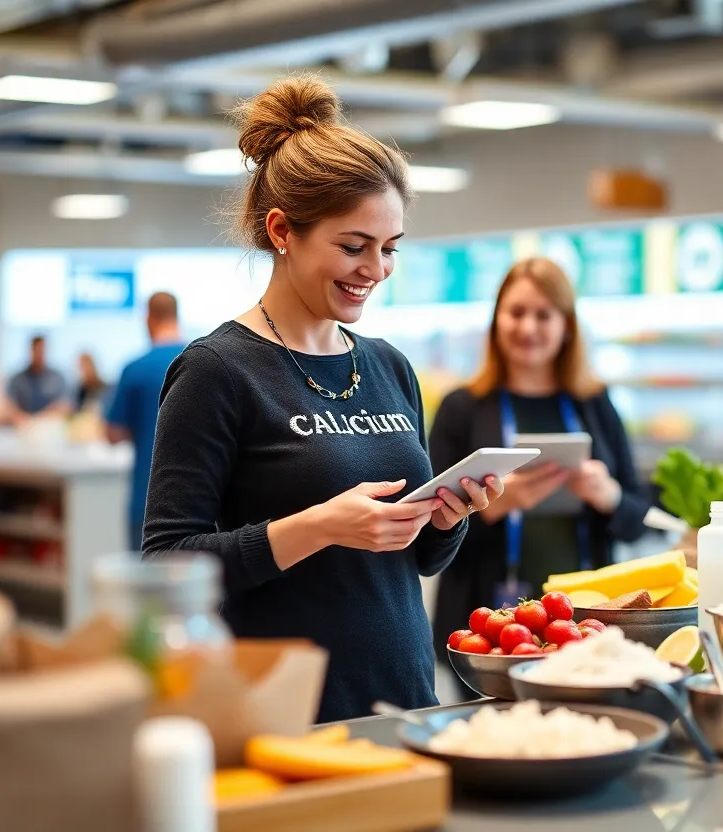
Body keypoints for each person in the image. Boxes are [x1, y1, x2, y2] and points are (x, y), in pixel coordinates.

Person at [141, 74, 504, 723]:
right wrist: (318, 526)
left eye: (389, 249)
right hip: (286, 712)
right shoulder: (216, 370)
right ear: (283, 230)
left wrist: (448, 518)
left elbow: (417, 563)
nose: (376, 269)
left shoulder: (388, 366)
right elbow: (168, 562)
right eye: (353, 246)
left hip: (405, 701)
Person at [429, 257, 652, 668]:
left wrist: (610, 496)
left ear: (566, 326)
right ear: (496, 321)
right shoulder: (462, 409)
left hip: (583, 621)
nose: (528, 328)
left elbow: (639, 517)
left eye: (543, 315)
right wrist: (492, 507)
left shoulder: (595, 404)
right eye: (516, 313)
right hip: (490, 625)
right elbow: (429, 534)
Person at [105, 292, 186, 550]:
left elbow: (112, 433)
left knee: (146, 587)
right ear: (176, 316)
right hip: (200, 503)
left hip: (148, 500)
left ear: (148, 319)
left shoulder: (135, 369)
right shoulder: (207, 362)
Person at [8, 335, 69, 416]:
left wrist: (42, 416)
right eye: (36, 351)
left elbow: (65, 405)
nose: (38, 355)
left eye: (41, 351)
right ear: (31, 351)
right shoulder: (17, 380)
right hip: (23, 423)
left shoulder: (57, 379)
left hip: (49, 421)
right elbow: (9, 405)